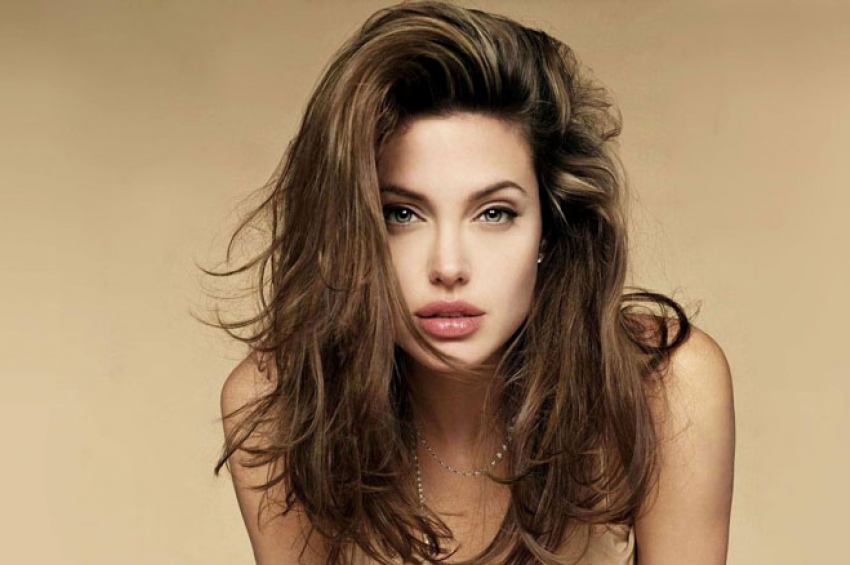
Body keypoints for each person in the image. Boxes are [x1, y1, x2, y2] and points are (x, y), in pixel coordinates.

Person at [208, 2, 735, 564]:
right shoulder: (280, 410)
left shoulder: (662, 387)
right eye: (401, 214)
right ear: (347, 232)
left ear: (550, 229)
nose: (449, 265)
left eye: (494, 213)